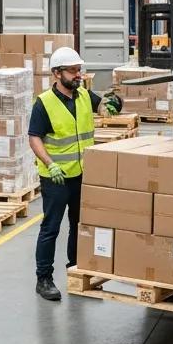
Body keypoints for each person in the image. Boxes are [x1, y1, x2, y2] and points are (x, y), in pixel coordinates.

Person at [29, 47, 104, 301]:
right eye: (72, 71)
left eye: (79, 70)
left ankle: (75, 270)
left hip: (81, 174)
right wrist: (50, 164)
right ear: (57, 74)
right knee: (51, 228)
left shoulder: (83, 95)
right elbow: (34, 138)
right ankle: (44, 279)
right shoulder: (44, 103)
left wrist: (115, 103)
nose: (78, 75)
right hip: (56, 177)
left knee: (78, 224)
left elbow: (104, 105)